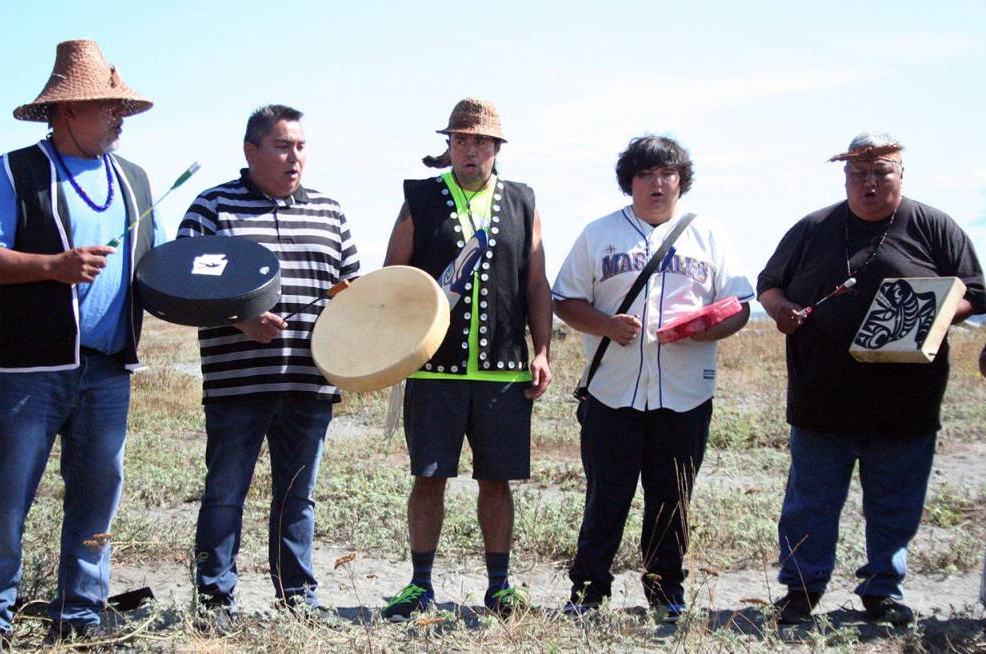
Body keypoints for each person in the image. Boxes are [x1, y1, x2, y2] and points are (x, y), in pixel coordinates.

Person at [0, 40, 155, 651]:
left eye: (120, 107)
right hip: (30, 368)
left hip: (108, 370)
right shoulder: (15, 171)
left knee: (99, 491)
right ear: (66, 112)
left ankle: (81, 614)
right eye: (106, 107)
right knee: (9, 493)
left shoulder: (136, 180)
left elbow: (157, 272)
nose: (118, 117)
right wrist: (52, 265)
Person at [758, 132, 985, 626]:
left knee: (894, 505)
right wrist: (783, 311)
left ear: (900, 175)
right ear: (845, 178)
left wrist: (939, 315)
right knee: (809, 505)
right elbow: (768, 285)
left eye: (881, 172)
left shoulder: (934, 227)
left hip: (906, 402)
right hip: (821, 397)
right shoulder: (813, 227)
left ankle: (884, 590)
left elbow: (977, 291)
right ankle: (802, 590)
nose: (869, 183)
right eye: (858, 173)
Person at [552, 135, 753, 621]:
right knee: (606, 497)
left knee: (671, 499)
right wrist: (606, 325)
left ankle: (665, 594)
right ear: (630, 183)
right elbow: (565, 299)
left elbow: (740, 305)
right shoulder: (599, 234)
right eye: (646, 175)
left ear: (681, 181)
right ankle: (588, 592)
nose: (657, 184)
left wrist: (701, 329)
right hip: (611, 391)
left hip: (685, 393)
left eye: (667, 174)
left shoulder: (708, 235)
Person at [177, 104, 359, 630]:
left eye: (300, 146)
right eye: (282, 146)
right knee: (225, 493)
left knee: (298, 495)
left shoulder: (330, 211)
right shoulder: (213, 208)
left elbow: (350, 290)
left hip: (309, 384)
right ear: (251, 151)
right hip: (238, 385)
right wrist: (241, 322)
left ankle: (297, 597)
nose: (294, 157)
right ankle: (214, 601)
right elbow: (183, 287)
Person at [380, 98, 552, 621]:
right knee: (429, 477)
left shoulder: (522, 201)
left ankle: (499, 586)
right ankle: (419, 585)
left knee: (495, 479)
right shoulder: (421, 198)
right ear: (448, 146)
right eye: (460, 140)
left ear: (497, 148)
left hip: (502, 370)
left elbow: (536, 283)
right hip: (434, 368)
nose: (470, 150)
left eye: (480, 141)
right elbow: (395, 276)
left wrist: (541, 351)